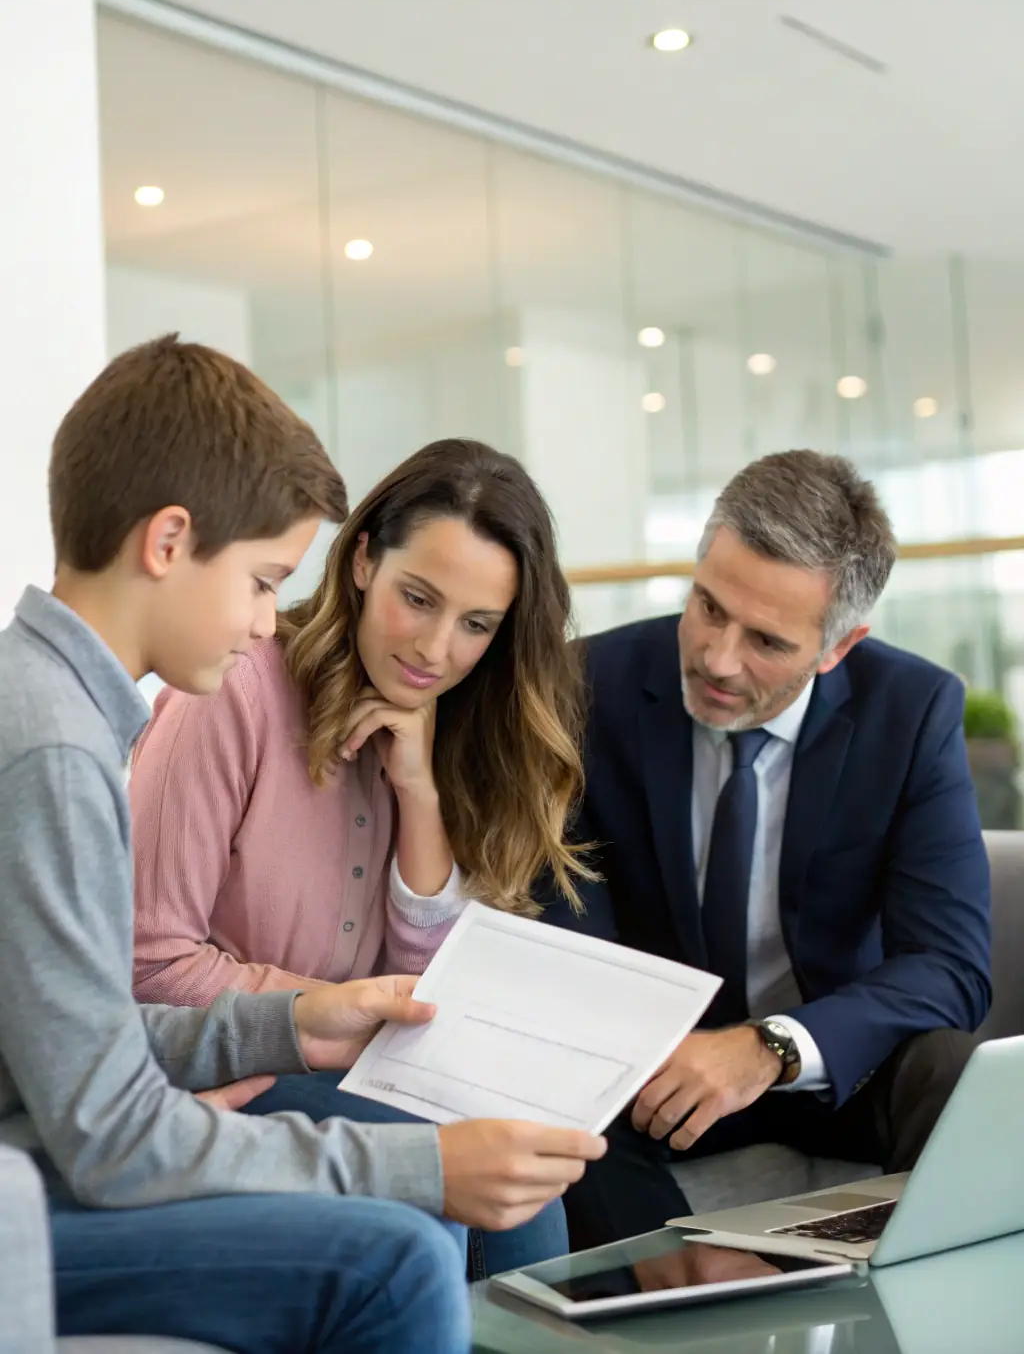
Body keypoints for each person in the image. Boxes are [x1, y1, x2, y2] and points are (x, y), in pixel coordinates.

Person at [0, 335, 606, 1353]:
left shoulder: (53, 712)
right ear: (168, 542)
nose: (262, 620)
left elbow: (66, 1044)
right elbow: (107, 1131)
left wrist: (289, 1025)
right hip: (36, 1185)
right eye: (260, 579)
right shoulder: (53, 749)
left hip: (53, 1150)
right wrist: (419, 1169)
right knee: (401, 1255)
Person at [127, 435, 591, 1277]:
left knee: (527, 1178)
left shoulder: (433, 722)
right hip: (215, 1065)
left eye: (476, 624)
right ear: (363, 561)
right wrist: (327, 1007)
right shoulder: (233, 689)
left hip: (349, 1069)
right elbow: (148, 963)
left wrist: (420, 794)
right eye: (419, 598)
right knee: (436, 1181)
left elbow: (424, 986)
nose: (436, 649)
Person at [540, 449, 991, 1249]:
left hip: (831, 1068)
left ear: (839, 645)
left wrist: (772, 1048)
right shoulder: (588, 683)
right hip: (648, 1078)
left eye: (767, 641)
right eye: (708, 607)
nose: (717, 658)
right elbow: (565, 921)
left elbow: (950, 966)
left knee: (948, 1068)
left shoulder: (912, 710)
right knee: (554, 1105)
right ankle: (680, 1324)